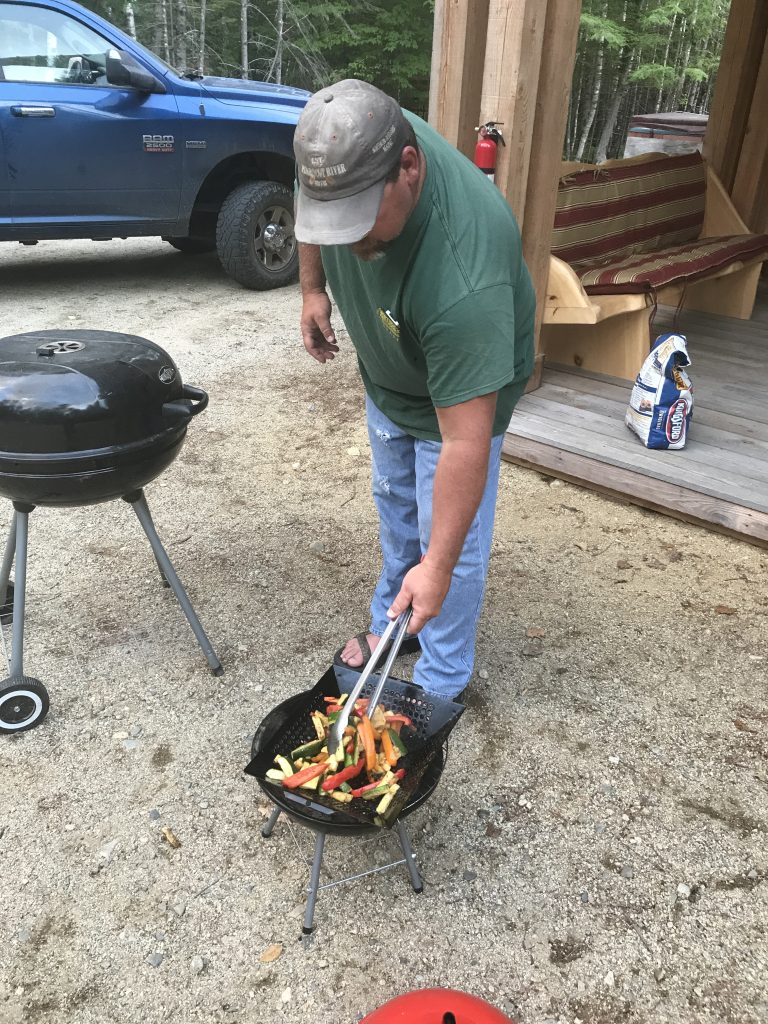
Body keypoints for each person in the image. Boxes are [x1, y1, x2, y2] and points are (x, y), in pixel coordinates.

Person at [294, 79, 535, 700]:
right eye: (333, 221)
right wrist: (312, 289)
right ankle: (393, 625)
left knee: (448, 542)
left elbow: (464, 444)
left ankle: (440, 676)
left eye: (359, 222)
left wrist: (439, 567)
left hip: (455, 398)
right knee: (397, 510)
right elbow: (309, 207)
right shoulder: (340, 144)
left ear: (409, 168)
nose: (346, 239)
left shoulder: (465, 280)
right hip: (390, 374)